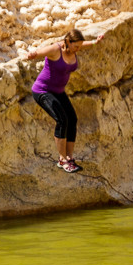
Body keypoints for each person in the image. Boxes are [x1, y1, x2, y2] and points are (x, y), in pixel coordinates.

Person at [26, 29, 104, 173]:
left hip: (58, 92)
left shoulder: (74, 48)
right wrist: (32, 55)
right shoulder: (56, 49)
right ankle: (62, 159)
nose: (78, 49)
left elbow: (83, 45)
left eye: (80, 46)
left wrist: (95, 42)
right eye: (76, 46)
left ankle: (69, 158)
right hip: (43, 91)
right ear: (68, 42)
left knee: (72, 119)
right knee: (62, 120)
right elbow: (40, 52)